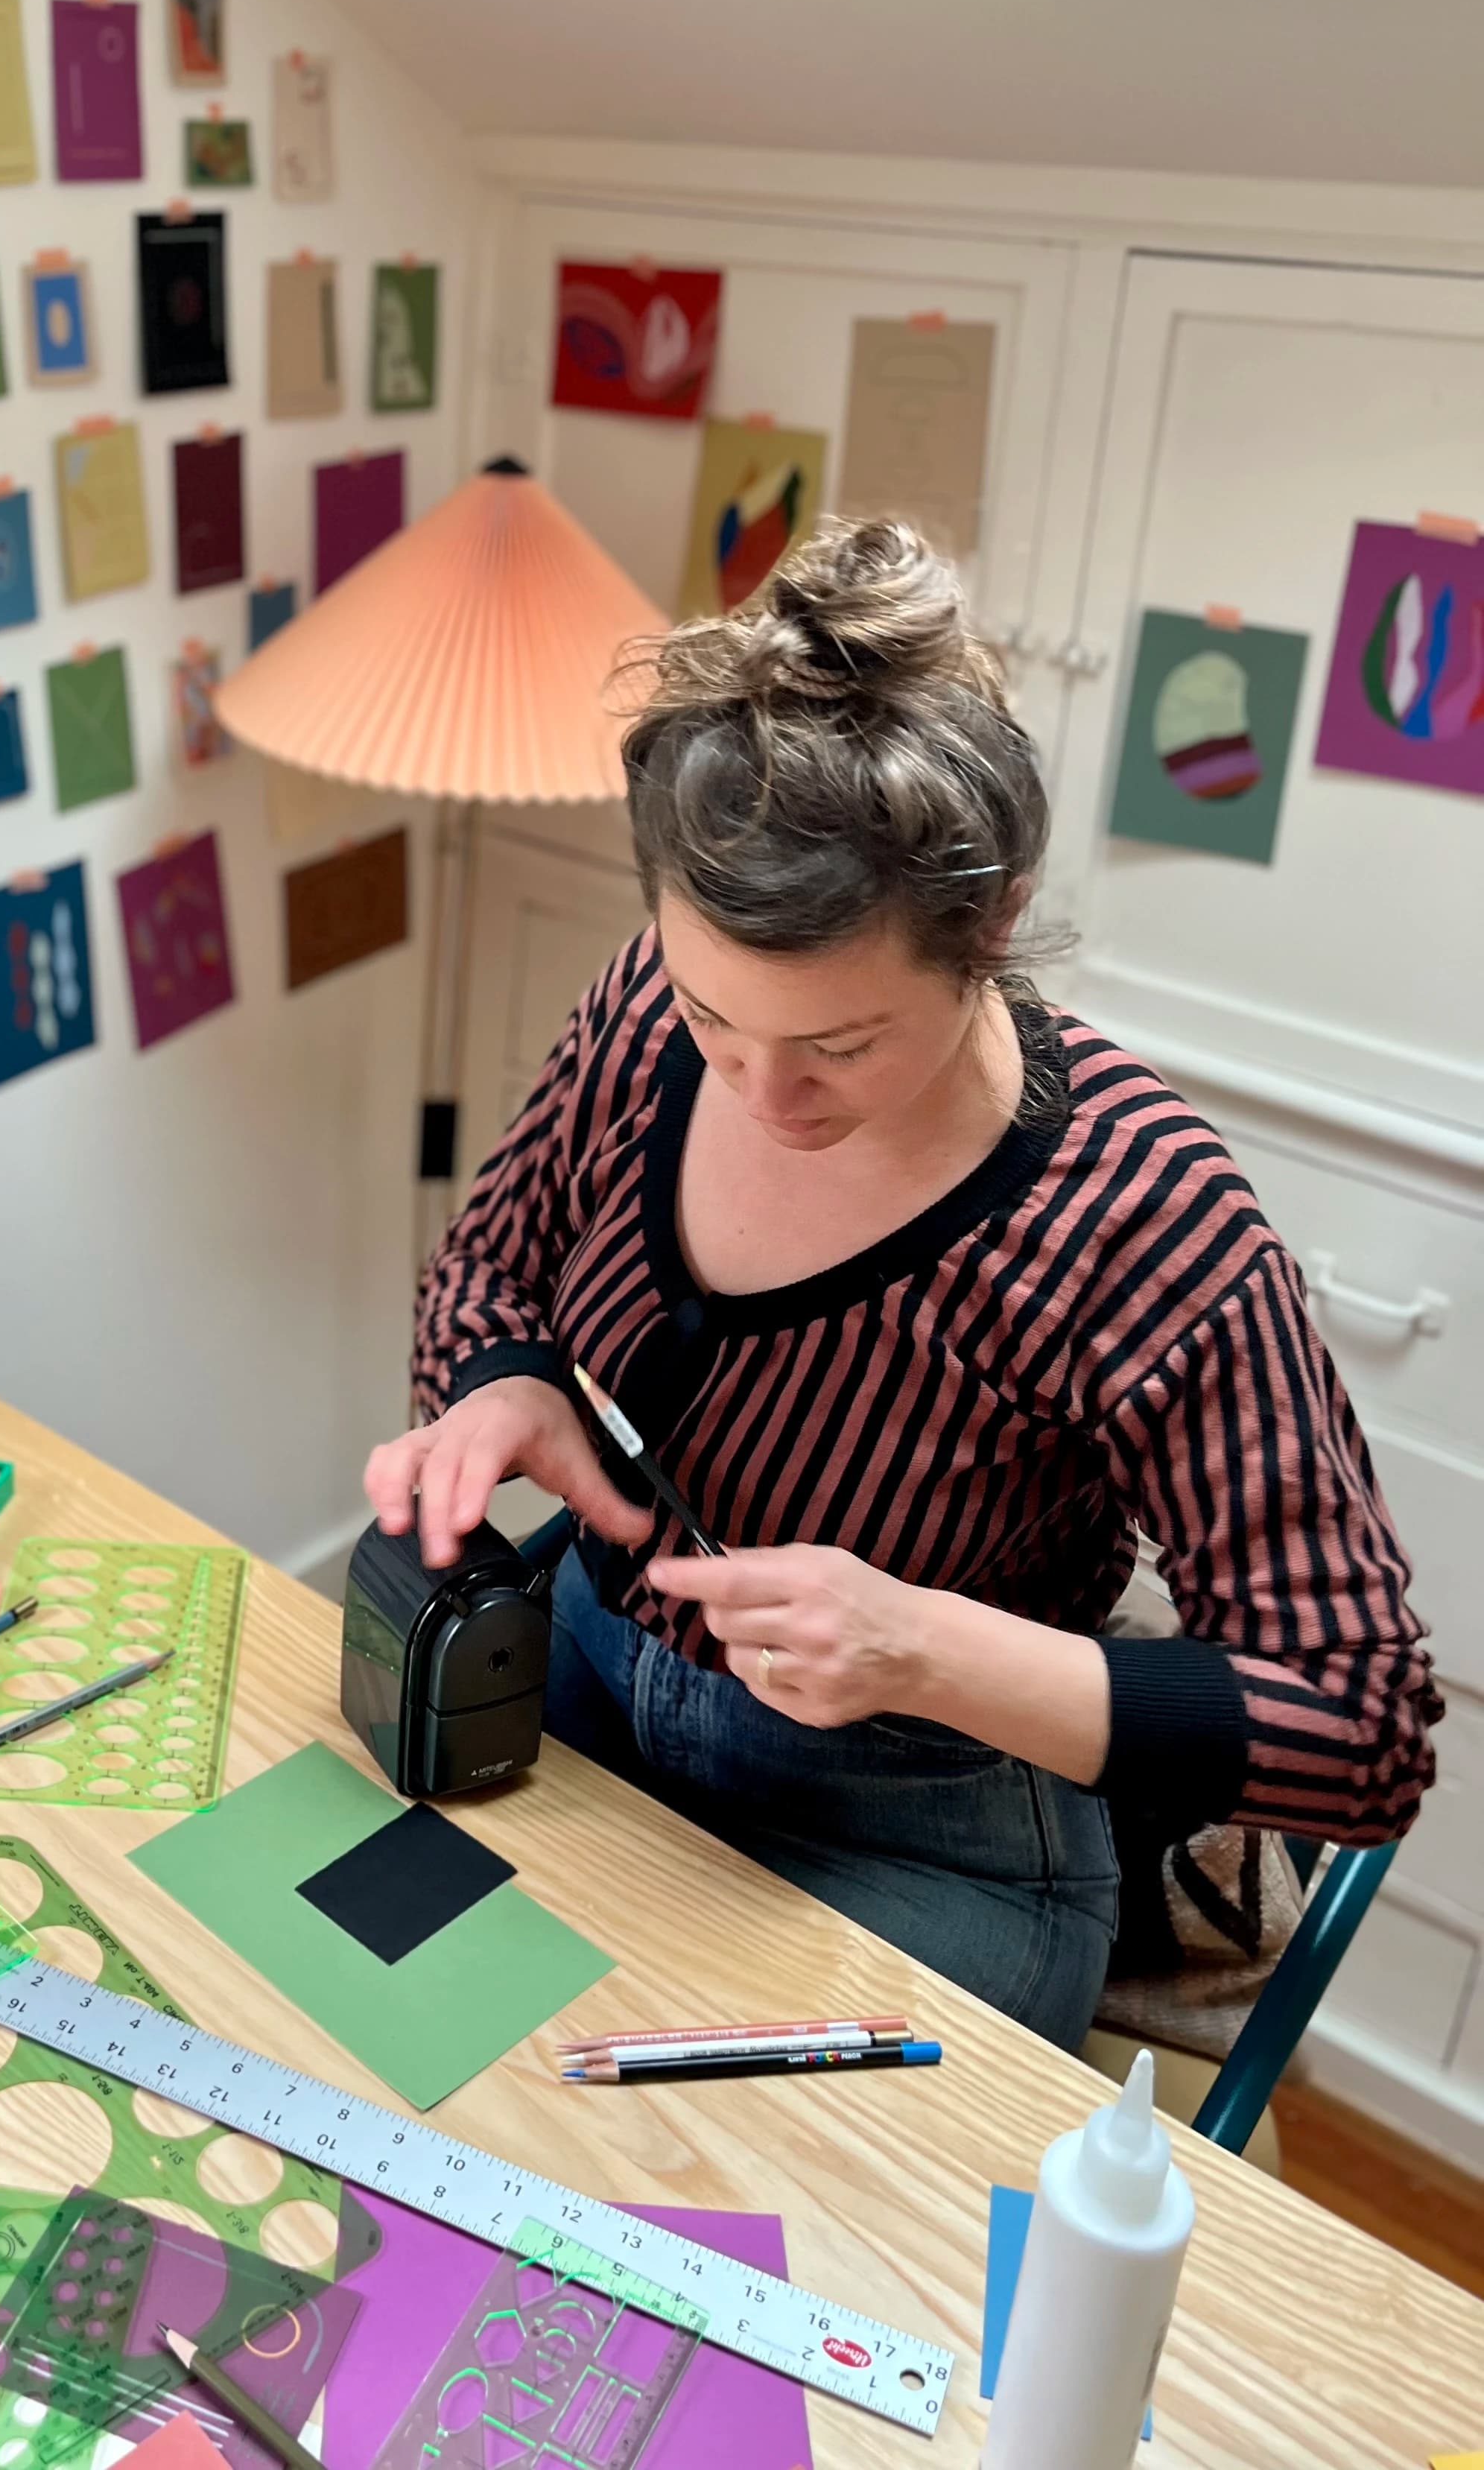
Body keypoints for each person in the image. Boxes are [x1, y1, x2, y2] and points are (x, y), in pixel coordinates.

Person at [363, 519, 1439, 2048]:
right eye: (710, 1014)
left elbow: (1367, 1727)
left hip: (925, 1829)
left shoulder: (1145, 1220)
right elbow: (487, 1267)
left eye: (842, 1047)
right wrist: (505, 1385)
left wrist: (921, 1647)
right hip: (594, 1689)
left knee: (718, 2217)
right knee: (400, 2037)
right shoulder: (653, 1013)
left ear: (990, 932)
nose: (756, 1092)